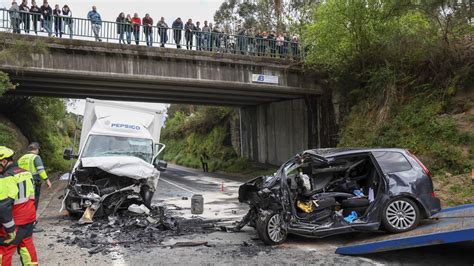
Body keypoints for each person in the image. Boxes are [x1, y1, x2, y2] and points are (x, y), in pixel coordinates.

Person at [0, 146, 38, 266]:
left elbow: (3, 206)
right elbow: (33, 196)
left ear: (4, 161)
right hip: (29, 218)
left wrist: (10, 230)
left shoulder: (6, 178)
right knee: (26, 245)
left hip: (14, 221)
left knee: (4, 251)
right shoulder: (26, 173)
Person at [17, 142, 51, 214]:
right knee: (34, 200)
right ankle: (32, 218)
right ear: (36, 149)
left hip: (21, 183)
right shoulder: (36, 157)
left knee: (23, 201)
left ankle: (24, 217)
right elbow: (41, 170)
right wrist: (47, 180)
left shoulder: (20, 159)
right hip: (33, 182)